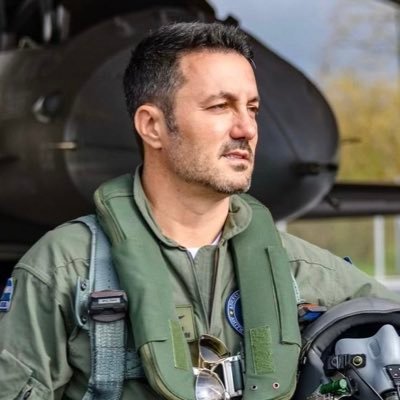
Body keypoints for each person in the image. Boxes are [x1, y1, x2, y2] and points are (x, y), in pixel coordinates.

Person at [0, 21, 399, 400]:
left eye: (252, 109)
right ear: (152, 126)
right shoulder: (63, 271)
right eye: (220, 106)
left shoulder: (305, 272)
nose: (246, 129)